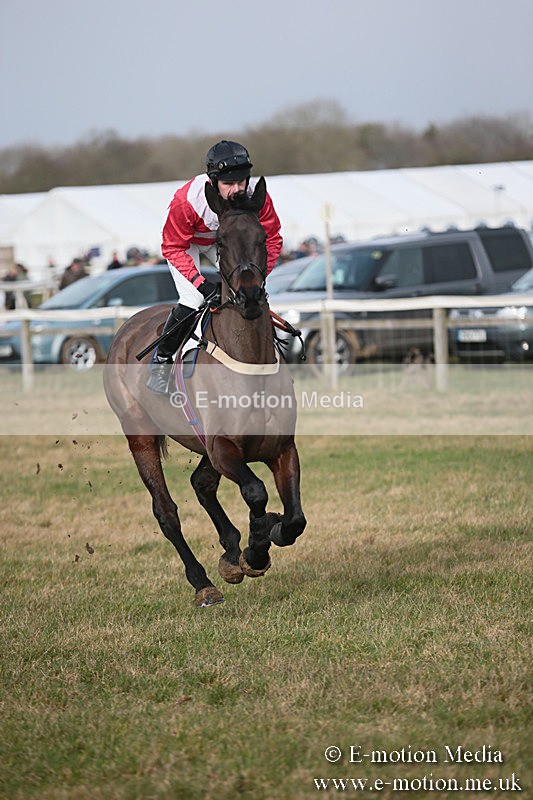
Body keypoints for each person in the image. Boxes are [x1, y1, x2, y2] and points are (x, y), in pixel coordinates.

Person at [148, 140, 283, 393]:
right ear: (213, 182)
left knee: (245, 293)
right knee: (192, 299)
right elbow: (172, 247)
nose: (236, 189)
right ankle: (162, 360)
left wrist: (259, 276)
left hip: (226, 239)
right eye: (228, 184)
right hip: (186, 243)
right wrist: (201, 283)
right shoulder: (186, 203)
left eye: (241, 181)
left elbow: (272, 238)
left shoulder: (257, 197)